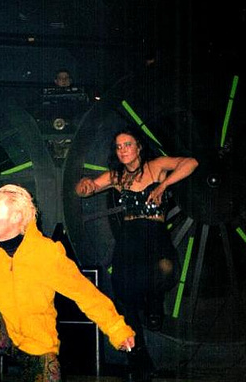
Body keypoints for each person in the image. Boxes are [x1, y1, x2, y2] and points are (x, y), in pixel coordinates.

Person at [0, 184, 135, 382]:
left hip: (37, 342)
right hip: (1, 335)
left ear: (16, 217)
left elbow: (85, 293)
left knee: (47, 372)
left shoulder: (46, 252)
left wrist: (117, 329)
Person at [75, 128, 198, 381]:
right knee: (123, 294)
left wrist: (164, 185)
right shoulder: (118, 176)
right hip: (129, 237)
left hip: (154, 234)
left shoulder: (157, 166)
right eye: (118, 146)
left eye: (127, 144)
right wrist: (84, 186)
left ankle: (154, 302)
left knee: (165, 269)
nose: (122, 150)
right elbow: (86, 188)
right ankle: (139, 360)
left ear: (139, 146)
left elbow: (191, 163)